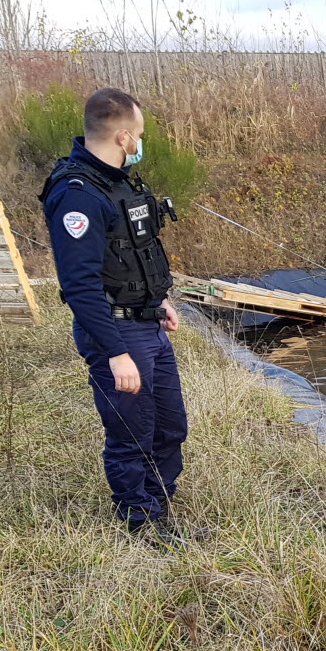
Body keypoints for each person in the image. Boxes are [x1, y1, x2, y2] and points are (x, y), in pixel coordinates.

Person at [41, 87, 203, 545]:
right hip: (117, 333)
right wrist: (116, 353)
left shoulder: (119, 183)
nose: (141, 144)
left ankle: (160, 506)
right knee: (132, 432)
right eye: (141, 136)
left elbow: (132, 253)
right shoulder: (78, 196)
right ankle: (140, 523)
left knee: (170, 426)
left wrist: (159, 301)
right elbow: (80, 287)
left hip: (146, 321)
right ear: (124, 137)